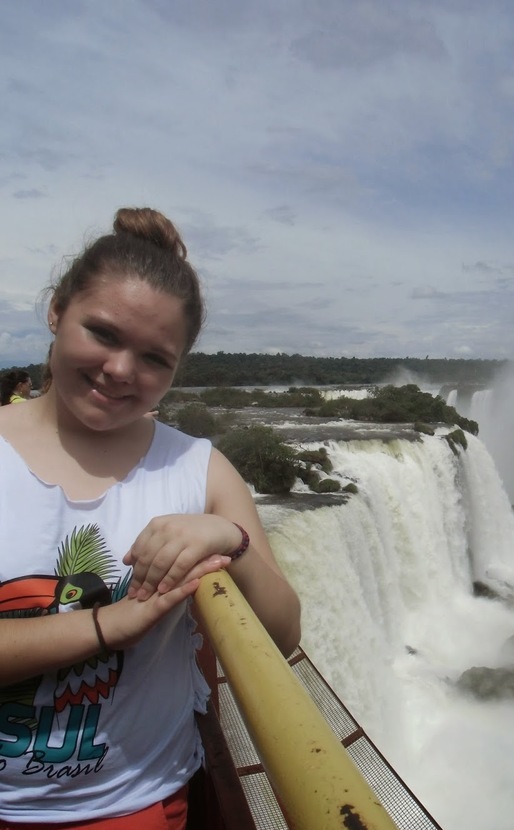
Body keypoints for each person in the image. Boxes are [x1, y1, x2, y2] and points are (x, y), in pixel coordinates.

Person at [0, 207, 301, 828]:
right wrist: (109, 627)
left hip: (136, 801)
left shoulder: (198, 468)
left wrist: (231, 537)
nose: (120, 370)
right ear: (57, 310)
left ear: (177, 368)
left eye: (154, 359)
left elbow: (282, 633)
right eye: (103, 334)